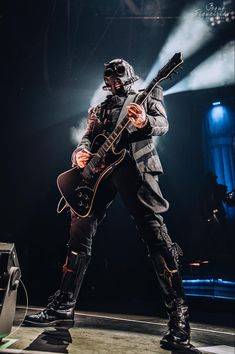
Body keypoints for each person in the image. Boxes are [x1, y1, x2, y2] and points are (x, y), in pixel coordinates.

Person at [23, 59, 192, 350]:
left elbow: (162, 124)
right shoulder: (99, 108)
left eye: (118, 72)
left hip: (136, 167)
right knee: (79, 230)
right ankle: (64, 305)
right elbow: (87, 137)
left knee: (155, 234)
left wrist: (144, 122)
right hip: (100, 174)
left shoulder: (148, 94)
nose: (113, 77)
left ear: (129, 75)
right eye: (109, 73)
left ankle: (179, 317)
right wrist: (81, 152)